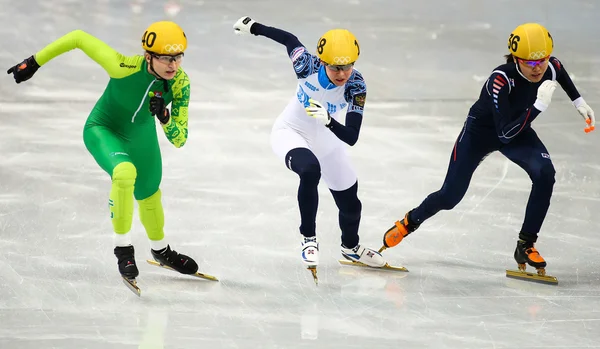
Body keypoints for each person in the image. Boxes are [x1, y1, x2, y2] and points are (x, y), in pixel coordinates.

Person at [381, 23, 595, 274]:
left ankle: (526, 244)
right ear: (516, 58)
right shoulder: (500, 79)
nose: (538, 68)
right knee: (450, 197)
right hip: (482, 134)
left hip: (519, 128)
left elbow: (558, 69)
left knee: (545, 173)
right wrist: (537, 107)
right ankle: (410, 221)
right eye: (530, 62)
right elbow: (503, 133)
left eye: (542, 61)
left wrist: (579, 101)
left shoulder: (550, 65)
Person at [7, 21, 200, 281]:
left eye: (177, 58)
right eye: (166, 58)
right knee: (124, 173)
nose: (173, 65)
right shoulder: (122, 65)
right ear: (148, 56)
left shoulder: (180, 82)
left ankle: (161, 251)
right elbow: (78, 37)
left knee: (149, 193)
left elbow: (180, 139)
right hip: (103, 129)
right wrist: (33, 62)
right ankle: (123, 249)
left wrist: (165, 117)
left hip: (140, 137)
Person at [233, 16, 386, 269]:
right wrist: (253, 27)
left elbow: (352, 137)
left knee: (351, 205)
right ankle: (308, 239)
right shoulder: (307, 65)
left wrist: (328, 120)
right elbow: (289, 40)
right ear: (323, 62)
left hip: (330, 142)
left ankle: (351, 248)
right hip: (291, 133)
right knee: (309, 170)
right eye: (336, 68)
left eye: (348, 66)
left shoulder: (356, 84)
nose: (342, 74)